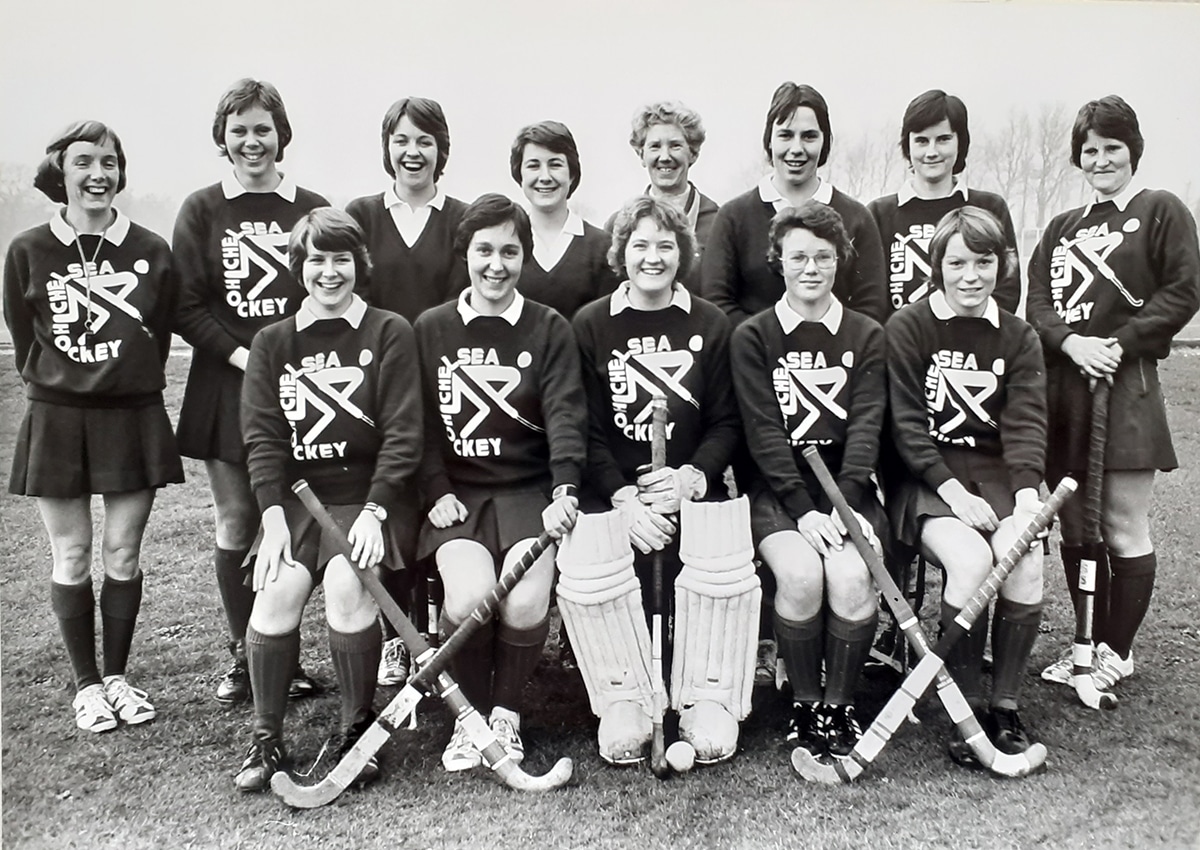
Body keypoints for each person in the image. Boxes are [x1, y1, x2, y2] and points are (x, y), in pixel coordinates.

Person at [234, 207, 423, 792]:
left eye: (341, 259)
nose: (330, 271)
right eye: (317, 259)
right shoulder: (272, 342)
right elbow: (262, 437)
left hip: (372, 497)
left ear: (358, 264)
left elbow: (403, 433)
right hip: (296, 502)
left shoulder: (390, 330)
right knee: (276, 588)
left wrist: (376, 508)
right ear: (299, 267)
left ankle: (355, 731)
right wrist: (271, 515)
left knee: (348, 585)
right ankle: (267, 740)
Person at [3, 120, 183, 732]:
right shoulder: (28, 249)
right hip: (58, 417)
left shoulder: (152, 249)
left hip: (130, 413)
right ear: (61, 172)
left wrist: (119, 376)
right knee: (73, 553)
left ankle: (118, 678)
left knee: (122, 552)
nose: (97, 174)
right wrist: (65, 380)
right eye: (84, 162)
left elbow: (155, 334)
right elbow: (25, 335)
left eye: (108, 161)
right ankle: (86, 685)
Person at [1027, 96, 1200, 690]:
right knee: (1077, 523)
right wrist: (1073, 344)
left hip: (1126, 385)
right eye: (1090, 150)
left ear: (1133, 151)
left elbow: (1182, 291)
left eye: (1111, 148)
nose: (1100, 160)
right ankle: (1084, 643)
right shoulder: (1061, 227)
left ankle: (1115, 651)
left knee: (1123, 524)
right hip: (1067, 386)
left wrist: (1120, 342)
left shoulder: (1161, 210)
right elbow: (1038, 306)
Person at [570, 196, 748, 764]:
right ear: (620, 254)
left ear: (684, 253)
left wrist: (695, 477)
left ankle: (706, 696)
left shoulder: (711, 322)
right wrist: (622, 498)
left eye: (666, 246)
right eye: (640, 246)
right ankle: (623, 697)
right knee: (595, 553)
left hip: (690, 485)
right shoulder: (592, 323)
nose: (653, 257)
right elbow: (587, 430)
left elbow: (726, 421)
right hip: (617, 491)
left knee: (718, 552)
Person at [412, 193, 585, 772]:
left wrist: (565, 490)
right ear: (465, 253)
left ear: (524, 257)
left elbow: (564, 415)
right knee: (467, 597)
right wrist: (435, 490)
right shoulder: (431, 328)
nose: (496, 264)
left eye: (510, 251)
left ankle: (505, 715)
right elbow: (420, 427)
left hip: (529, 492)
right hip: (457, 496)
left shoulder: (548, 327)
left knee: (527, 599)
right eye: (483, 250)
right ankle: (471, 718)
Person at [173, 78, 328, 705]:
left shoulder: (309, 205)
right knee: (239, 520)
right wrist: (247, 356)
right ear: (223, 138)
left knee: (297, 524)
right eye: (239, 129)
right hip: (225, 384)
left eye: (262, 128)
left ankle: (282, 649)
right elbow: (186, 305)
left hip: (304, 386)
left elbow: (329, 292)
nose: (251, 140)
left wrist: (289, 364)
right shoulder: (202, 208)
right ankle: (244, 655)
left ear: (280, 134)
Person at [887, 206, 1047, 765]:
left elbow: (1026, 425)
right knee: (972, 559)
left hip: (1001, 480)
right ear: (939, 265)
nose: (971, 276)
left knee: (1024, 560)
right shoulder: (909, 327)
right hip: (928, 481)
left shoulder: (1019, 335)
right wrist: (952, 493)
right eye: (957, 262)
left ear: (1001, 266)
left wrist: (1028, 497)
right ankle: (964, 706)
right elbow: (906, 428)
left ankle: (1002, 706)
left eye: (984, 262)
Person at [729, 201, 884, 759]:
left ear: (840, 259)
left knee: (850, 577)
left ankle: (839, 707)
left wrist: (845, 505)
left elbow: (866, 428)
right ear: (779, 261)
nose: (811, 268)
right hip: (778, 492)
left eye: (823, 256)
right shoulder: (754, 336)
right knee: (798, 574)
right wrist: (803, 507)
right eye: (798, 257)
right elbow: (763, 433)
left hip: (849, 493)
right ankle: (804, 704)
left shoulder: (866, 334)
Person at [346, 96, 469, 686]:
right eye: (402, 140)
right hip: (380, 387)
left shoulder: (462, 218)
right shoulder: (363, 215)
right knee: (393, 503)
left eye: (424, 140)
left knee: (442, 504)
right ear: (387, 148)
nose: (412, 152)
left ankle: (441, 629)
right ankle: (400, 635)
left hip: (448, 384)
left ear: (442, 148)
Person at [701, 82, 887, 327]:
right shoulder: (733, 217)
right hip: (757, 360)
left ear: (825, 142)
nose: (796, 149)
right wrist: (766, 344)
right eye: (786, 136)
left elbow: (871, 306)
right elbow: (717, 303)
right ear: (769, 140)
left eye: (809, 136)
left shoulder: (857, 217)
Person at [868, 90, 1021, 317]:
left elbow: (1006, 290)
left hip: (974, 346)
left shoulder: (989, 207)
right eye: (921, 141)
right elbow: (871, 297)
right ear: (907, 146)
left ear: (961, 142)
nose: (932, 152)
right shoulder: (879, 213)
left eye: (943, 139)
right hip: (901, 348)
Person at [604, 101, 720, 293]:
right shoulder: (617, 226)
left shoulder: (719, 223)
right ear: (641, 155)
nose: (665, 156)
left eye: (675, 145)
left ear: (693, 154)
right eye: (655, 146)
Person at [509, 120, 619, 318]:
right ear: (520, 174)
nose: (545, 177)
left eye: (555, 165)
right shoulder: (507, 244)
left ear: (572, 174)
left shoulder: (602, 247)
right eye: (533, 165)